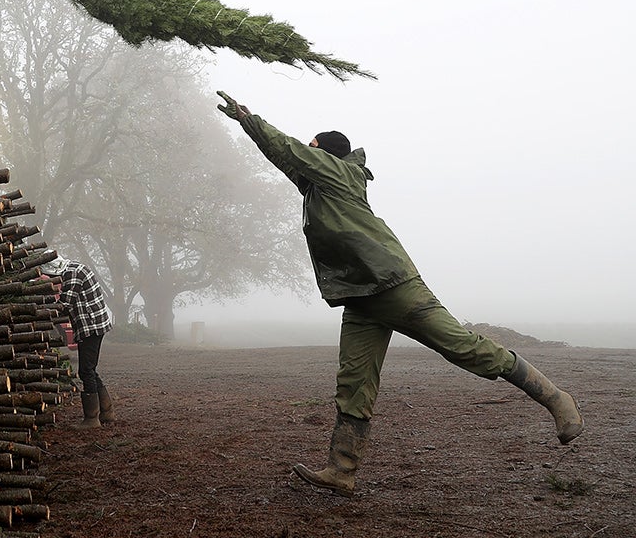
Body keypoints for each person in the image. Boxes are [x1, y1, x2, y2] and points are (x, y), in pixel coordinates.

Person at [214, 90, 583, 497]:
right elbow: (286, 158)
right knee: (353, 382)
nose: (306, 152)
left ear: (327, 156)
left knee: (464, 348)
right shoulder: (318, 189)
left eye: (313, 148)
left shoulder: (342, 174)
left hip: (393, 284)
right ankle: (342, 470)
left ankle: (555, 398)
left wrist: (250, 120)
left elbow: (290, 150)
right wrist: (250, 128)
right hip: (360, 297)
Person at [43, 256, 115, 428]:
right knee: (90, 369)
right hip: (92, 325)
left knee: (86, 371)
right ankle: (107, 411)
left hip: (91, 326)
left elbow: (64, 304)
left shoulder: (73, 273)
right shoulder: (74, 269)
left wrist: (43, 310)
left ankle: (92, 418)